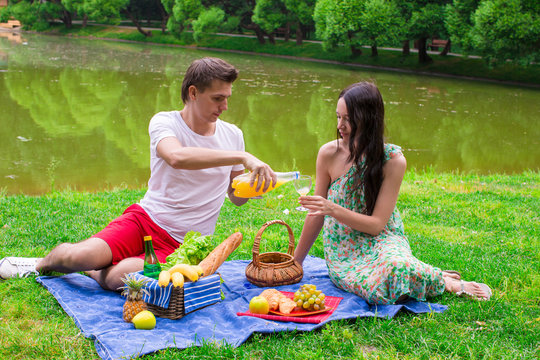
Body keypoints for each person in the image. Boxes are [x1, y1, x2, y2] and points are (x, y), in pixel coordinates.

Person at [0, 57, 276, 291]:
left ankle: (94, 272)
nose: (224, 107)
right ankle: (41, 264)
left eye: (227, 98)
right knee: (80, 255)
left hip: (186, 243)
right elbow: (176, 157)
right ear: (193, 93)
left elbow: (236, 197)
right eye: (217, 98)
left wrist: (252, 188)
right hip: (146, 220)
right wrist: (242, 156)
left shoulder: (233, 135)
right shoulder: (165, 121)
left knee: (126, 276)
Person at [293, 82, 492, 304]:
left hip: (382, 239)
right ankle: (432, 274)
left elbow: (377, 225)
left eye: (348, 119)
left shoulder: (393, 161)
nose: (341, 125)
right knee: (377, 290)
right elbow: (316, 213)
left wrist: (333, 209)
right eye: (338, 117)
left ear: (368, 118)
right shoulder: (329, 153)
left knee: (397, 266)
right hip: (344, 249)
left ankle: (445, 281)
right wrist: (296, 262)